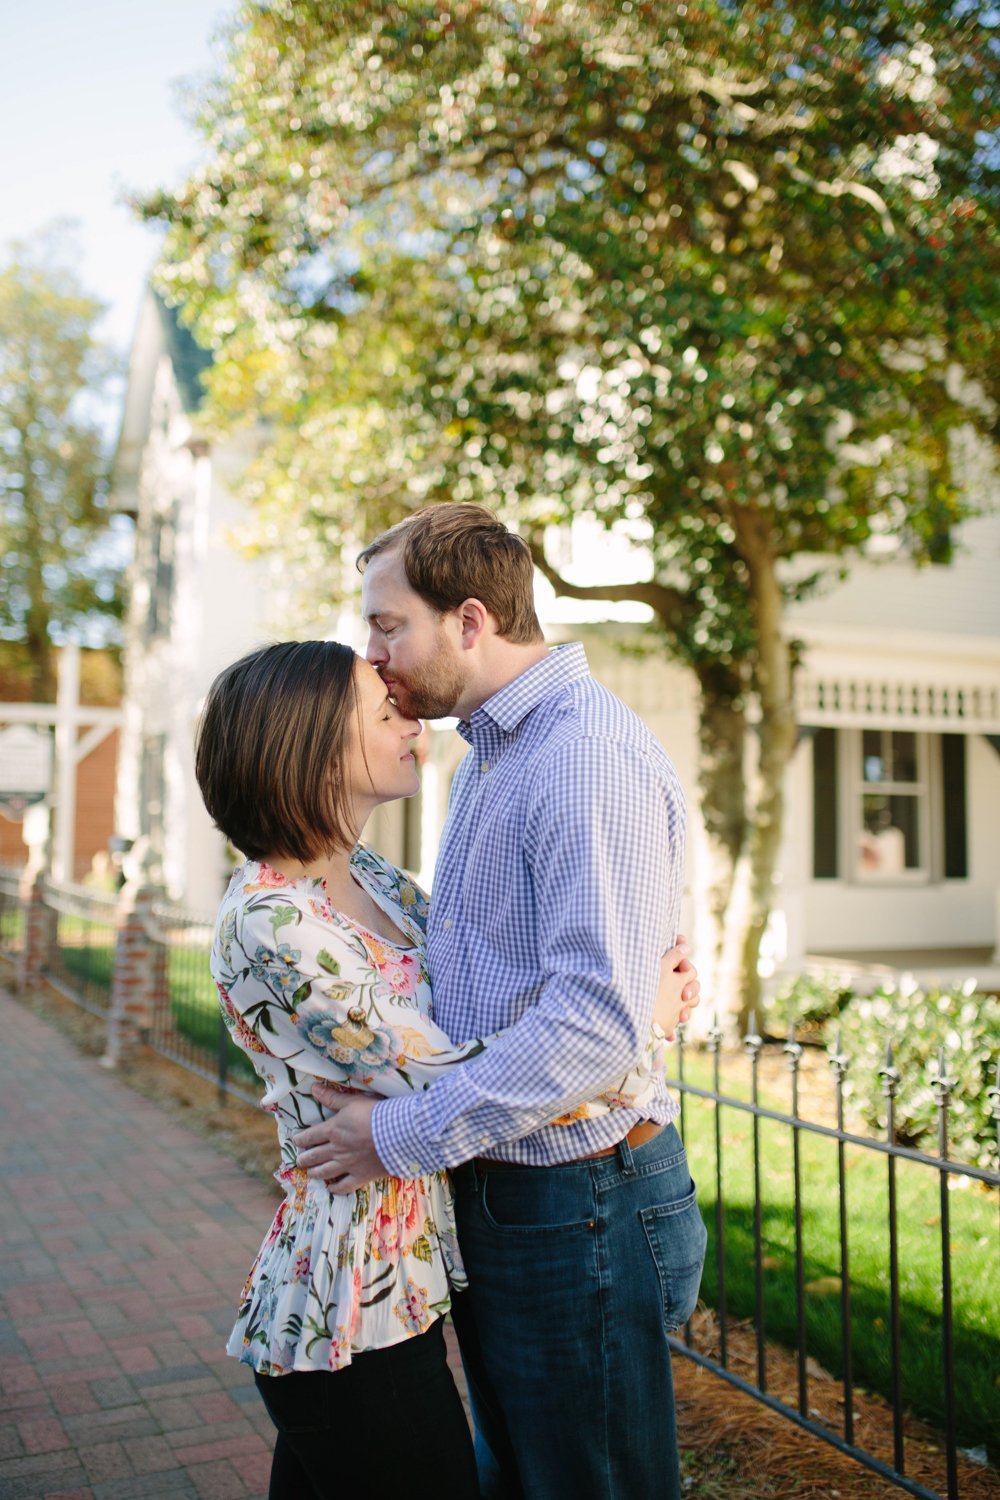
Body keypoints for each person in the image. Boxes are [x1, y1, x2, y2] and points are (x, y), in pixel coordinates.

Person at [195, 638, 697, 1500]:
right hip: (350, 1301)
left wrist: (594, 1012)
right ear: (309, 745)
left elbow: (471, 1006)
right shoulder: (273, 921)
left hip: (407, 1274)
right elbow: (448, 1076)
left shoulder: (370, 879)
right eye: (380, 708)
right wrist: (632, 1025)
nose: (409, 714)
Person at [293, 504, 708, 1500]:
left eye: (389, 624)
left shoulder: (578, 755)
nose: (372, 650)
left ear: (469, 621)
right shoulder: (490, 752)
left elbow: (591, 1025)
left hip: (577, 1199)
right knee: (529, 1474)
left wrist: (398, 1133)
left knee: (588, 1483)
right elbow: (496, 974)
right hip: (517, 1187)